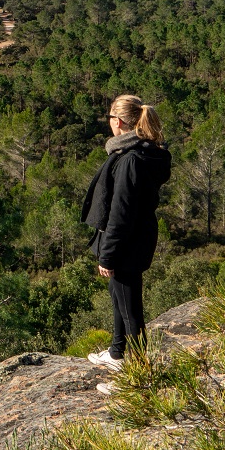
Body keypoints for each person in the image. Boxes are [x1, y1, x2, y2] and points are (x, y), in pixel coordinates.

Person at [79, 94, 171, 391]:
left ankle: (140, 376)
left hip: (126, 242)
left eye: (109, 117)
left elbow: (121, 212)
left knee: (131, 308)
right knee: (119, 297)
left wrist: (108, 255)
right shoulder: (144, 151)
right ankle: (118, 353)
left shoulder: (130, 159)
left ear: (117, 122)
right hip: (137, 236)